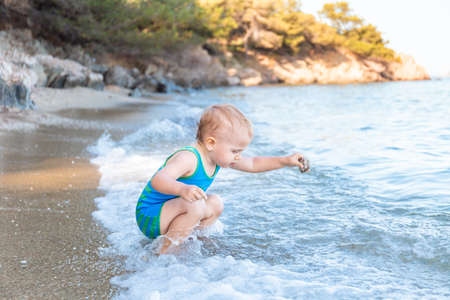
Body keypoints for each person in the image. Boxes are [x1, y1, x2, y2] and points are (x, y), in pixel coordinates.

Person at [135, 104, 309, 254]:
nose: (238, 157)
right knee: (195, 204)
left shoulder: (217, 156)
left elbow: (254, 164)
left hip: (172, 212)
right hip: (151, 215)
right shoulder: (189, 157)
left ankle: (191, 242)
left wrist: (285, 161)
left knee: (215, 202)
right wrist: (182, 189)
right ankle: (165, 253)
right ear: (211, 143)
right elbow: (159, 180)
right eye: (235, 151)